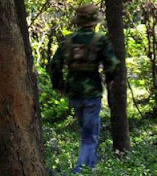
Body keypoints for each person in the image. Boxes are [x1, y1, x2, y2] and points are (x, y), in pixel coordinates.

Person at [48, 4, 120, 173]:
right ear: (94, 22)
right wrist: (109, 80)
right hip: (92, 92)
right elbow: (113, 64)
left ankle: (91, 167)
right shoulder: (100, 40)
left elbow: (55, 65)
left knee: (86, 133)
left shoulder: (68, 41)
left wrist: (59, 86)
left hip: (73, 92)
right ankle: (79, 171)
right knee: (90, 137)